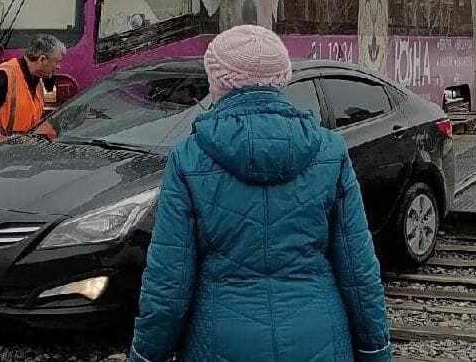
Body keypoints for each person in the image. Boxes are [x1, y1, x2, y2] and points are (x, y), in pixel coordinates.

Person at [130, 25, 392, 362]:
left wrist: (146, 355)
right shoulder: (330, 151)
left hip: (218, 341)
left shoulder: (189, 157)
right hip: (318, 338)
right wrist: (376, 349)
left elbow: (168, 281)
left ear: (217, 81)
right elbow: (359, 270)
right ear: (281, 79)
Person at [0, 35, 64, 154]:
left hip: (9, 153)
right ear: (42, 59)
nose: (58, 67)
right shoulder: (6, 75)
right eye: (56, 62)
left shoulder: (37, 79)